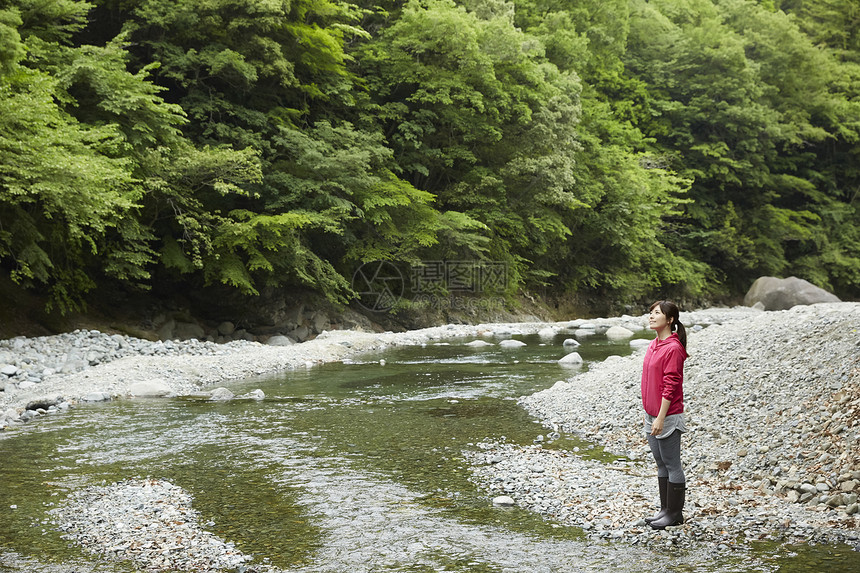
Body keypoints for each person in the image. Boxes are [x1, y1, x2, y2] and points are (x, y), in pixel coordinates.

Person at [641, 300, 689, 529]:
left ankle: (675, 514)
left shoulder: (673, 348)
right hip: (651, 414)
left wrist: (660, 417)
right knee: (661, 463)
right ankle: (664, 510)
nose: (651, 316)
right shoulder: (654, 345)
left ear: (669, 320)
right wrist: (650, 414)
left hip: (667, 416)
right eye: (650, 312)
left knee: (672, 464)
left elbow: (671, 385)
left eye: (657, 313)